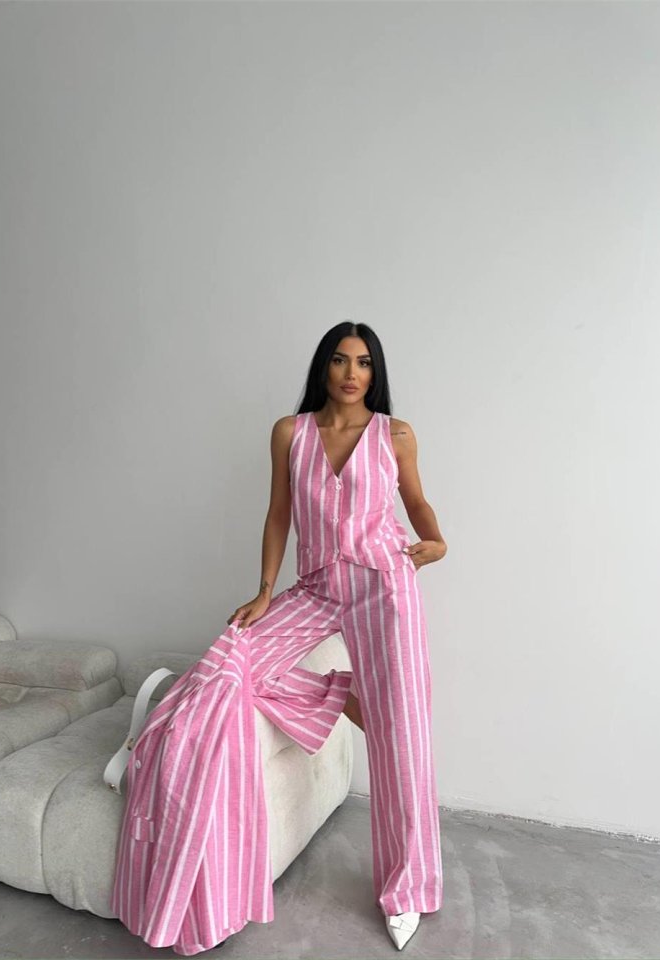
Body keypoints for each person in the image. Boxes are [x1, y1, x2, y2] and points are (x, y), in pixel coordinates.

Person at [109, 321, 447, 954]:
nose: (352, 374)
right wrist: (266, 590)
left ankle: (406, 891)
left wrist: (436, 540)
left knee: (405, 736)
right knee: (231, 660)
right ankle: (340, 696)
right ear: (324, 367)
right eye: (341, 361)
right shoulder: (290, 433)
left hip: (385, 584)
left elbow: (416, 502)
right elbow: (278, 514)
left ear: (375, 373)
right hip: (316, 586)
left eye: (364, 363)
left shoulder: (395, 434)